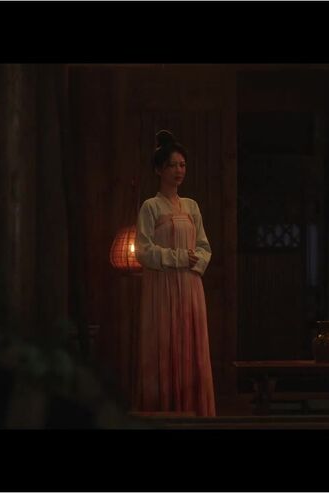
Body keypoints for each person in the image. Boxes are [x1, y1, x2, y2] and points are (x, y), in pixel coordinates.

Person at [133, 130, 216, 417]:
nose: (179, 170)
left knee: (191, 346)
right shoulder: (151, 206)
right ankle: (163, 413)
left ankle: (195, 412)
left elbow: (204, 246)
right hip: (162, 285)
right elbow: (143, 251)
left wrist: (196, 262)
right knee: (164, 344)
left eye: (182, 165)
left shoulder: (191, 206)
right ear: (159, 170)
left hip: (190, 285)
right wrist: (178, 257)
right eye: (172, 165)